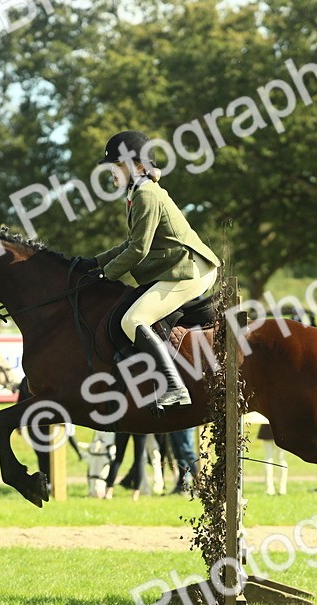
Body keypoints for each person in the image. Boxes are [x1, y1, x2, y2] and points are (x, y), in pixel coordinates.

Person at [79, 130, 221, 407]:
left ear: (139, 167)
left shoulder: (146, 195)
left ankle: (175, 387)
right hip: (180, 268)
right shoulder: (139, 193)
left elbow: (138, 250)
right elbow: (131, 244)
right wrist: (94, 262)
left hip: (191, 271)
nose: (112, 174)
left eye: (117, 167)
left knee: (133, 320)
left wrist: (105, 275)